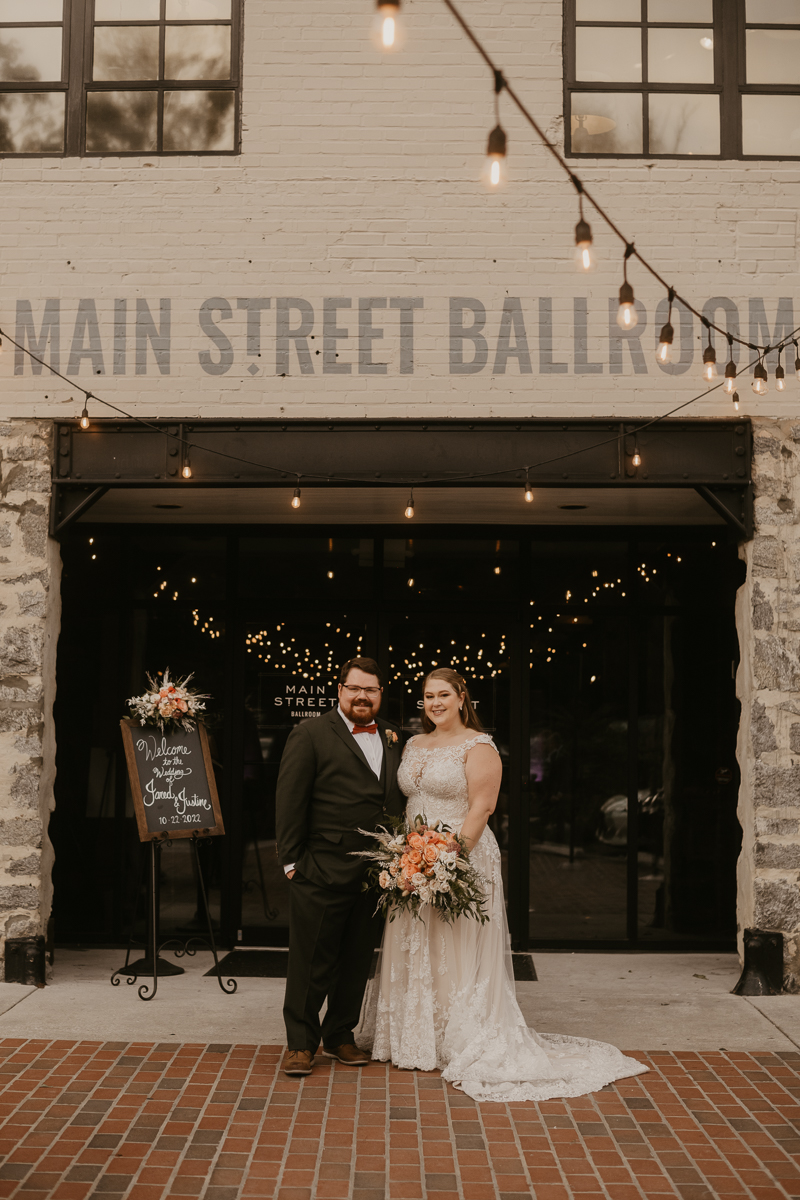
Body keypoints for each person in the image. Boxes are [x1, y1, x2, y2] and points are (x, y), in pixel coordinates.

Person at [356, 667, 648, 1102]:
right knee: (418, 941)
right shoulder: (413, 744)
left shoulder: (479, 746)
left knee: (455, 943)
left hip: (462, 856)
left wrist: (446, 862)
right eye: (428, 696)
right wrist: (410, 858)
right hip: (413, 857)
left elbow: (483, 807)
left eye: (443, 695)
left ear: (461, 698)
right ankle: (413, 1036)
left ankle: (457, 1035)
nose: (435, 703)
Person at [275, 656, 404, 1078]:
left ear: (380, 693)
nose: (362, 696)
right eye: (355, 688)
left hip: (374, 875)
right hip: (320, 869)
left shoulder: (392, 737)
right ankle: (300, 1043)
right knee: (311, 961)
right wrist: (292, 862)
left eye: (371, 689)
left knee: (355, 960)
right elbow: (290, 799)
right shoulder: (310, 733)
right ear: (340, 690)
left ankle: (340, 1036)